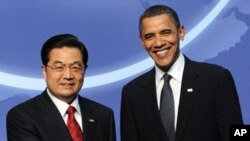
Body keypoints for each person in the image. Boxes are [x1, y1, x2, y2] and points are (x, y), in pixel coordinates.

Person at [120, 4, 243, 141]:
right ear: (142, 42)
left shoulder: (216, 79)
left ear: (181, 32)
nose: (159, 43)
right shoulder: (132, 93)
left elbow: (237, 134)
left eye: (165, 32)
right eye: (150, 36)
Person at [7, 34, 116, 141]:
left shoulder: (103, 115)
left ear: (84, 70)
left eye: (75, 67)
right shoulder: (22, 116)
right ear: (44, 71)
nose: (68, 76)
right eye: (59, 67)